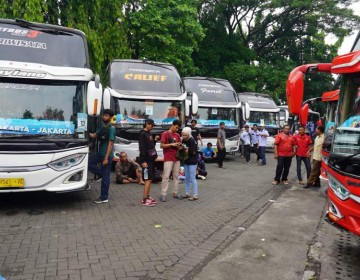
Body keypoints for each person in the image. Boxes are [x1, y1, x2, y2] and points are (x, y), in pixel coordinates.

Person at [88, 109, 116, 204]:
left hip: (107, 156)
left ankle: (104, 197)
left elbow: (110, 144)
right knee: (88, 163)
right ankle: (100, 173)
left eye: (107, 115)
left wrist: (106, 158)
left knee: (106, 177)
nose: (104, 117)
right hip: (100, 154)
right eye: (104, 115)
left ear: (111, 118)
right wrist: (85, 132)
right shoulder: (102, 127)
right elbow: (94, 135)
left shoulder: (112, 129)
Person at [160, 119, 183, 202]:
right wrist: (171, 144)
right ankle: (163, 194)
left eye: (178, 128)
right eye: (176, 127)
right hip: (168, 158)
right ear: (172, 125)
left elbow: (180, 147)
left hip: (176, 158)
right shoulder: (165, 134)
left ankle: (175, 193)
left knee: (176, 176)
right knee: (166, 176)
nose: (177, 129)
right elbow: (161, 145)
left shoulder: (177, 135)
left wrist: (180, 146)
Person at [139, 119, 159, 207]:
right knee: (148, 179)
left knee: (150, 179)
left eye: (153, 125)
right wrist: (143, 161)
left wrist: (155, 140)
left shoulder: (149, 133)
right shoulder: (143, 134)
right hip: (146, 161)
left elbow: (150, 146)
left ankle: (147, 196)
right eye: (151, 125)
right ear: (147, 124)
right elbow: (142, 148)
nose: (152, 127)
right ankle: (144, 199)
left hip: (151, 160)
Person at [181, 127, 199, 200]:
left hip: (192, 162)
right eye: (183, 135)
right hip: (186, 161)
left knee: (192, 178)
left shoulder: (192, 141)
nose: (184, 136)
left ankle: (195, 194)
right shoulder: (183, 140)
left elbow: (193, 151)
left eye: (185, 135)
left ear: (189, 134)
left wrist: (187, 150)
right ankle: (187, 193)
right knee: (187, 178)